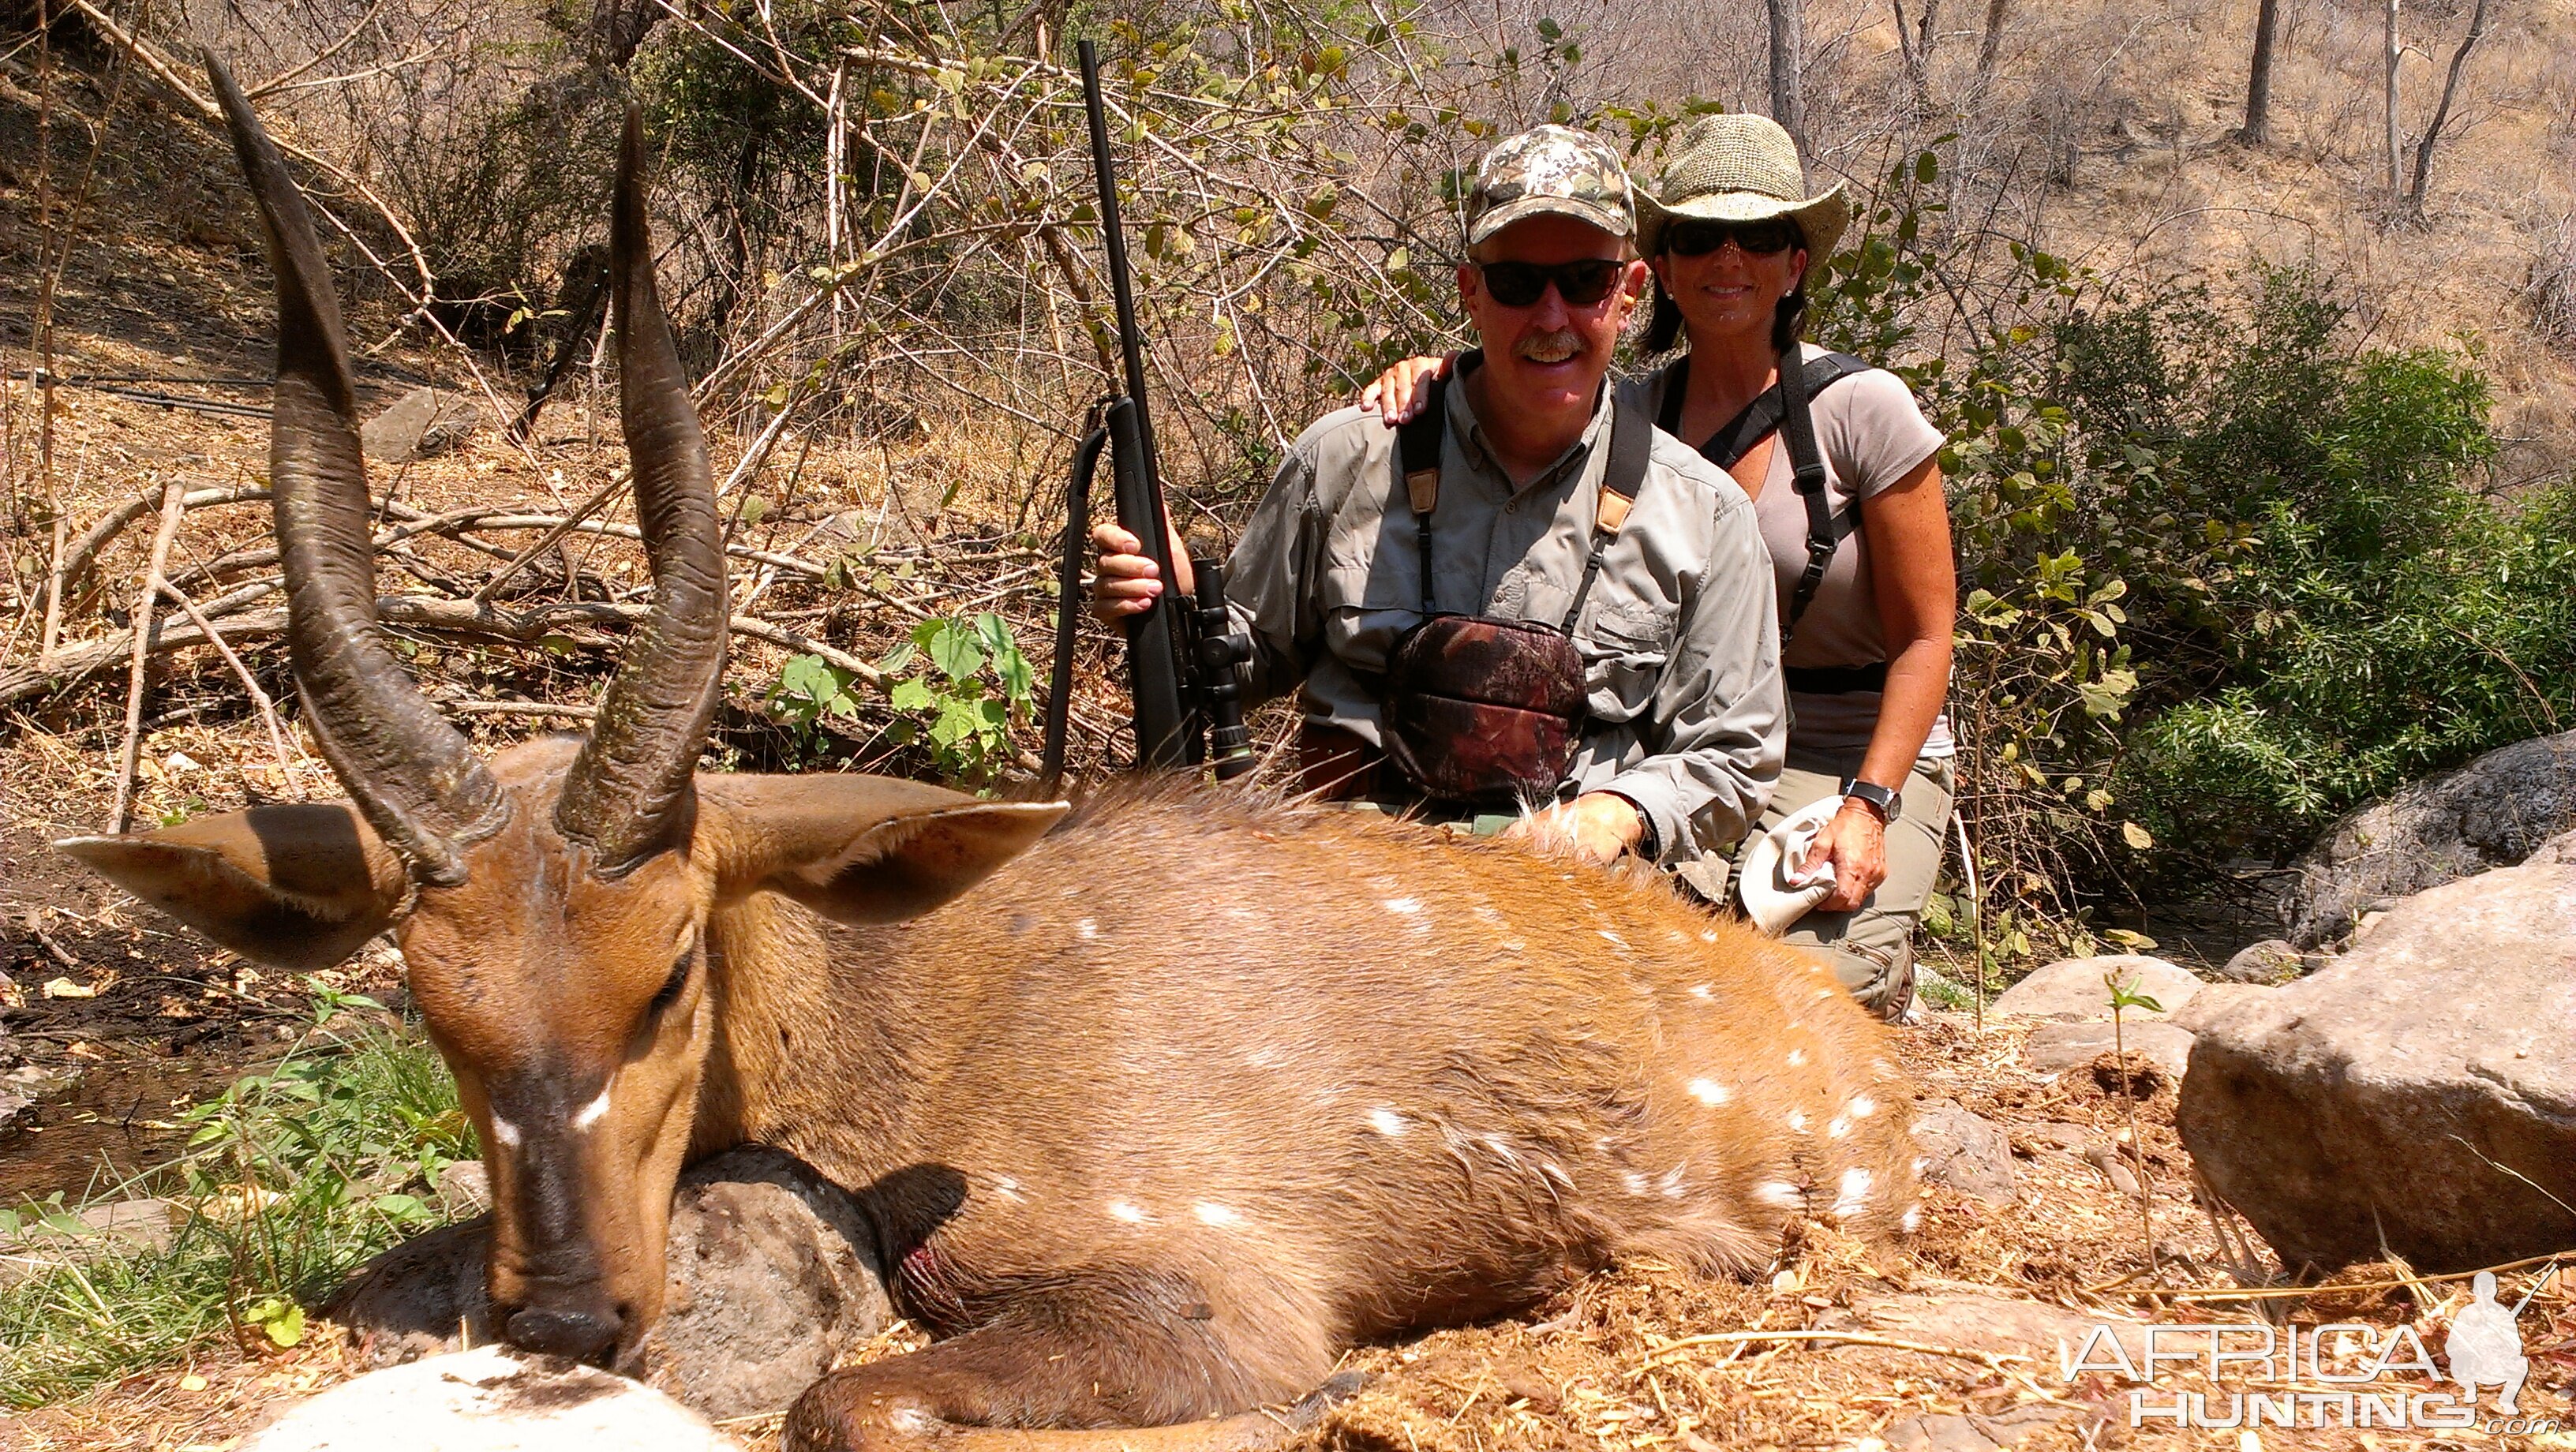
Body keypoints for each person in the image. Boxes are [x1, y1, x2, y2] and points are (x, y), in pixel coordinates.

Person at [1363, 113, 1957, 1020]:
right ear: (1660, 271)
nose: (1728, 258)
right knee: (1622, 977)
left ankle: (1888, 969)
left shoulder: (1866, 411)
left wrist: (1869, 804)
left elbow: (1926, 635)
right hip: (1681, 751)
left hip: (1847, 752)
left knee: (1793, 1000)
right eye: (1697, 236)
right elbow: (1527, 366)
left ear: (1795, 264)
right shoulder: (1624, 417)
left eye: (1757, 236)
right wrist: (1437, 378)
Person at [1091, 125, 1785, 874]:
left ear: (1629, 291)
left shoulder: (1706, 515)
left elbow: (1734, 751)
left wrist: (1617, 813)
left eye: (1584, 281)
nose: (1551, 317)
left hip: (1566, 901)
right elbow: (1241, 661)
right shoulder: (1345, 457)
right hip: (1344, 878)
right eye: (1518, 283)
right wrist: (1167, 599)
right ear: (1471, 292)